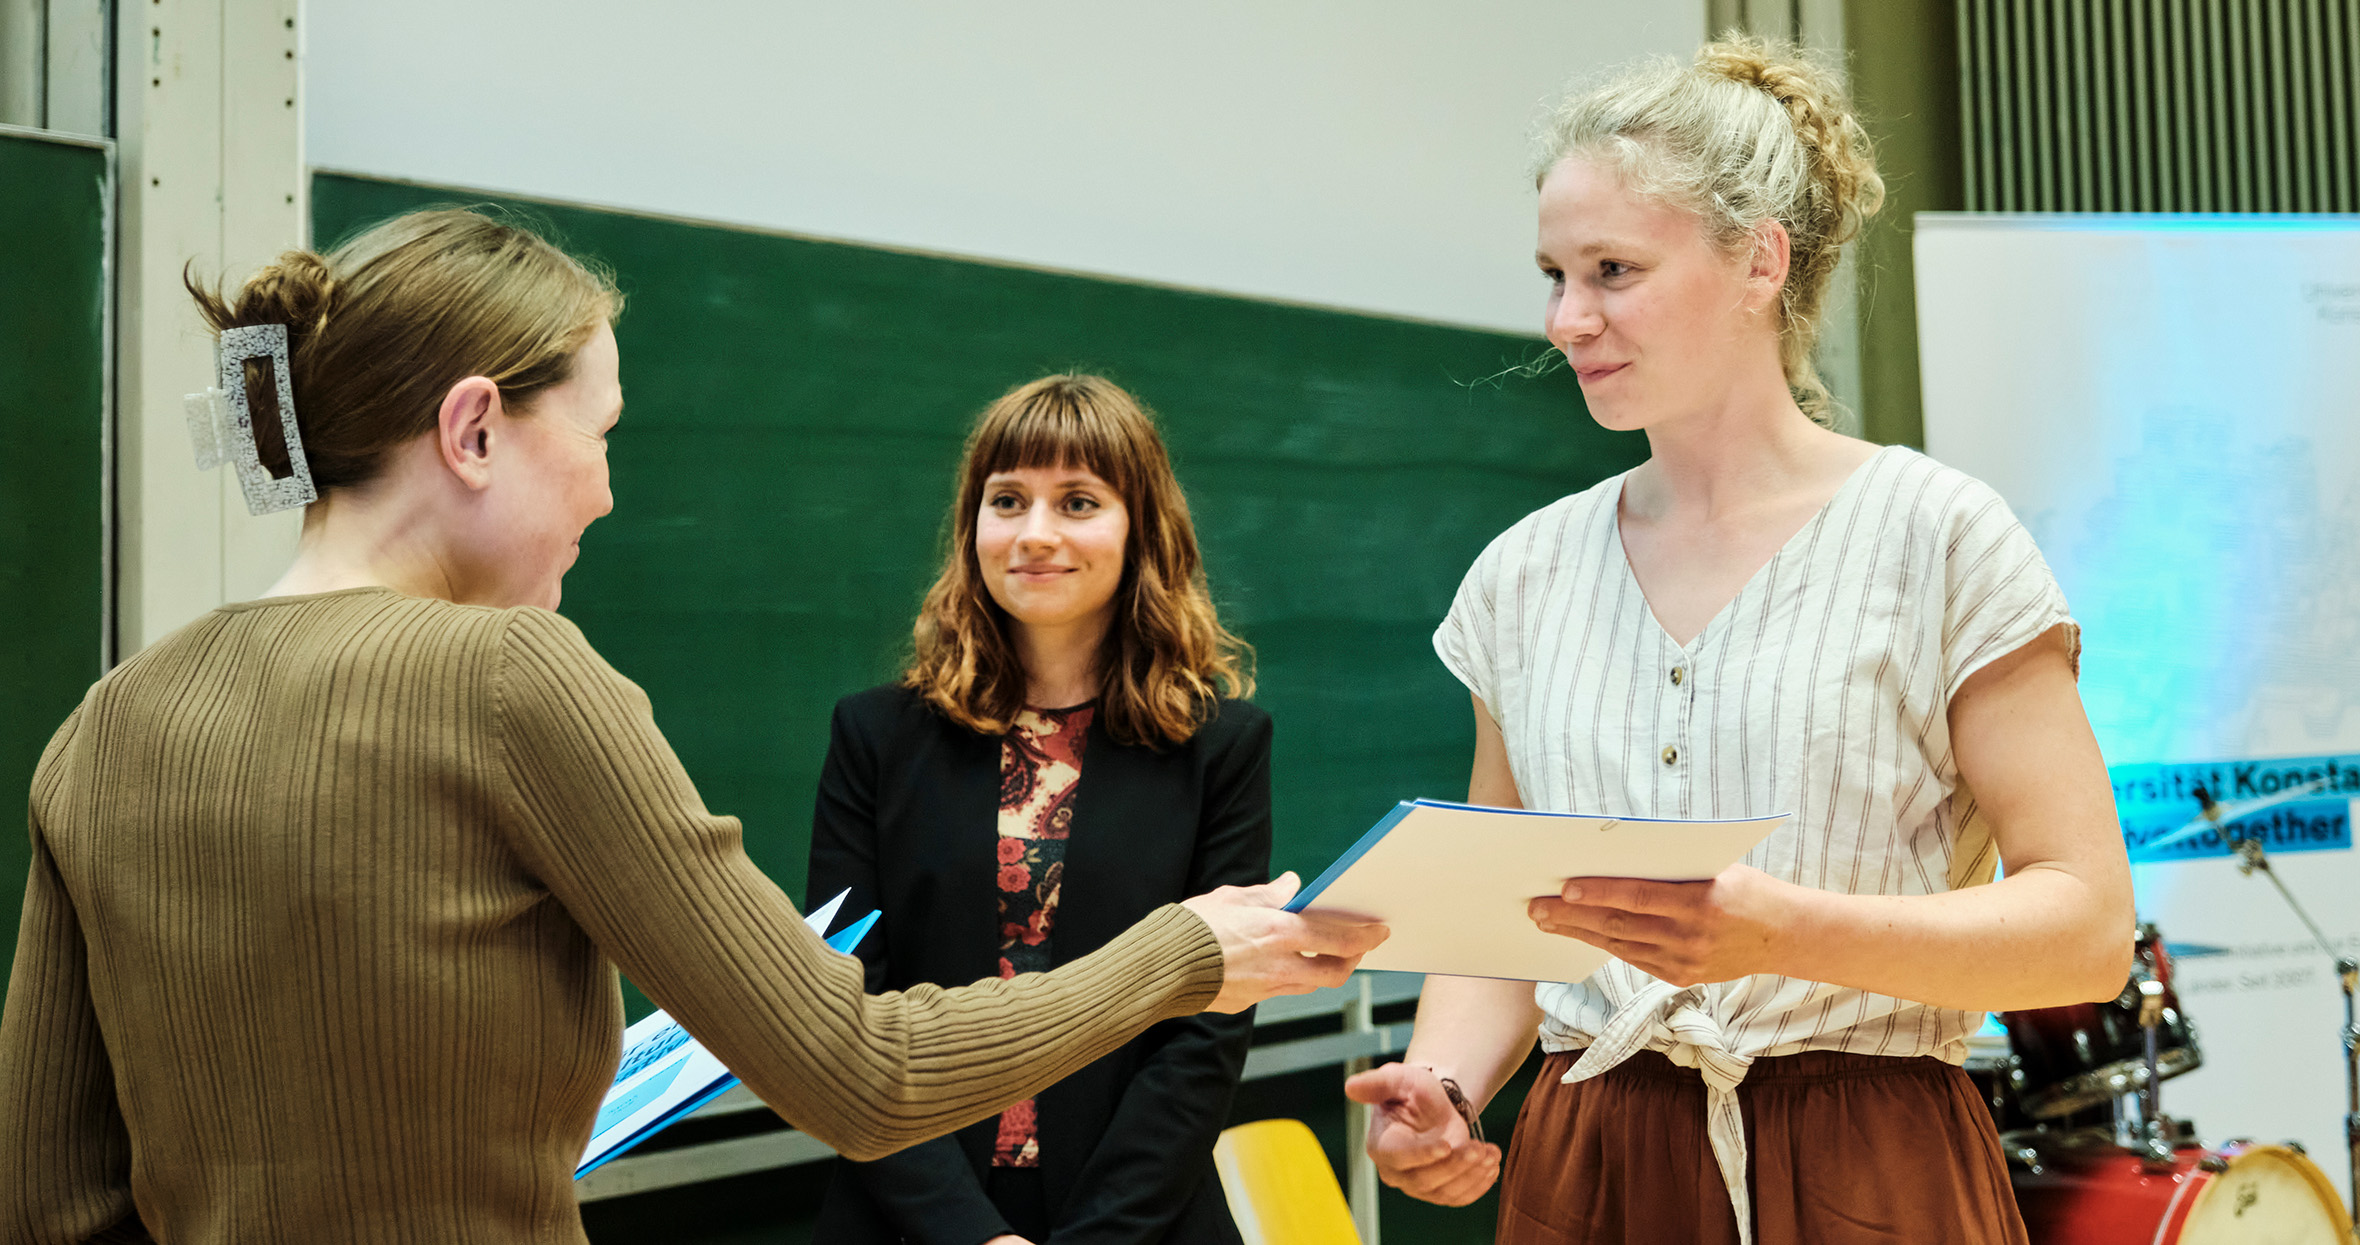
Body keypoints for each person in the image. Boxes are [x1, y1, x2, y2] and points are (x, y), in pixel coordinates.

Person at [0, 209, 1382, 1245]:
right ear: (474, 430)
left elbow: (51, 1199)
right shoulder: (514, 677)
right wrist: (1185, 951)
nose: (606, 493)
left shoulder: (108, 719)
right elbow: (858, 1071)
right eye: (598, 434)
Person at [1344, 35, 2132, 1245]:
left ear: (1759, 259)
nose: (1567, 318)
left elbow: (2083, 931)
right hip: (1590, 1163)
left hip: (1867, 1158)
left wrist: (1785, 932)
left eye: (1613, 269)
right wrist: (1442, 1087)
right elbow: (1505, 918)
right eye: (1553, 274)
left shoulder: (1935, 535)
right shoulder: (1522, 574)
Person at [808, 374, 1267, 1245]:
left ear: (1141, 529)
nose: (1035, 533)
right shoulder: (874, 737)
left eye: (1079, 501)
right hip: (913, 1217)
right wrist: (973, 1237)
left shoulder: (1220, 745)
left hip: (1141, 1220)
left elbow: (1205, 1030)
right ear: (972, 524)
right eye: (1008, 499)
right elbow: (845, 1016)